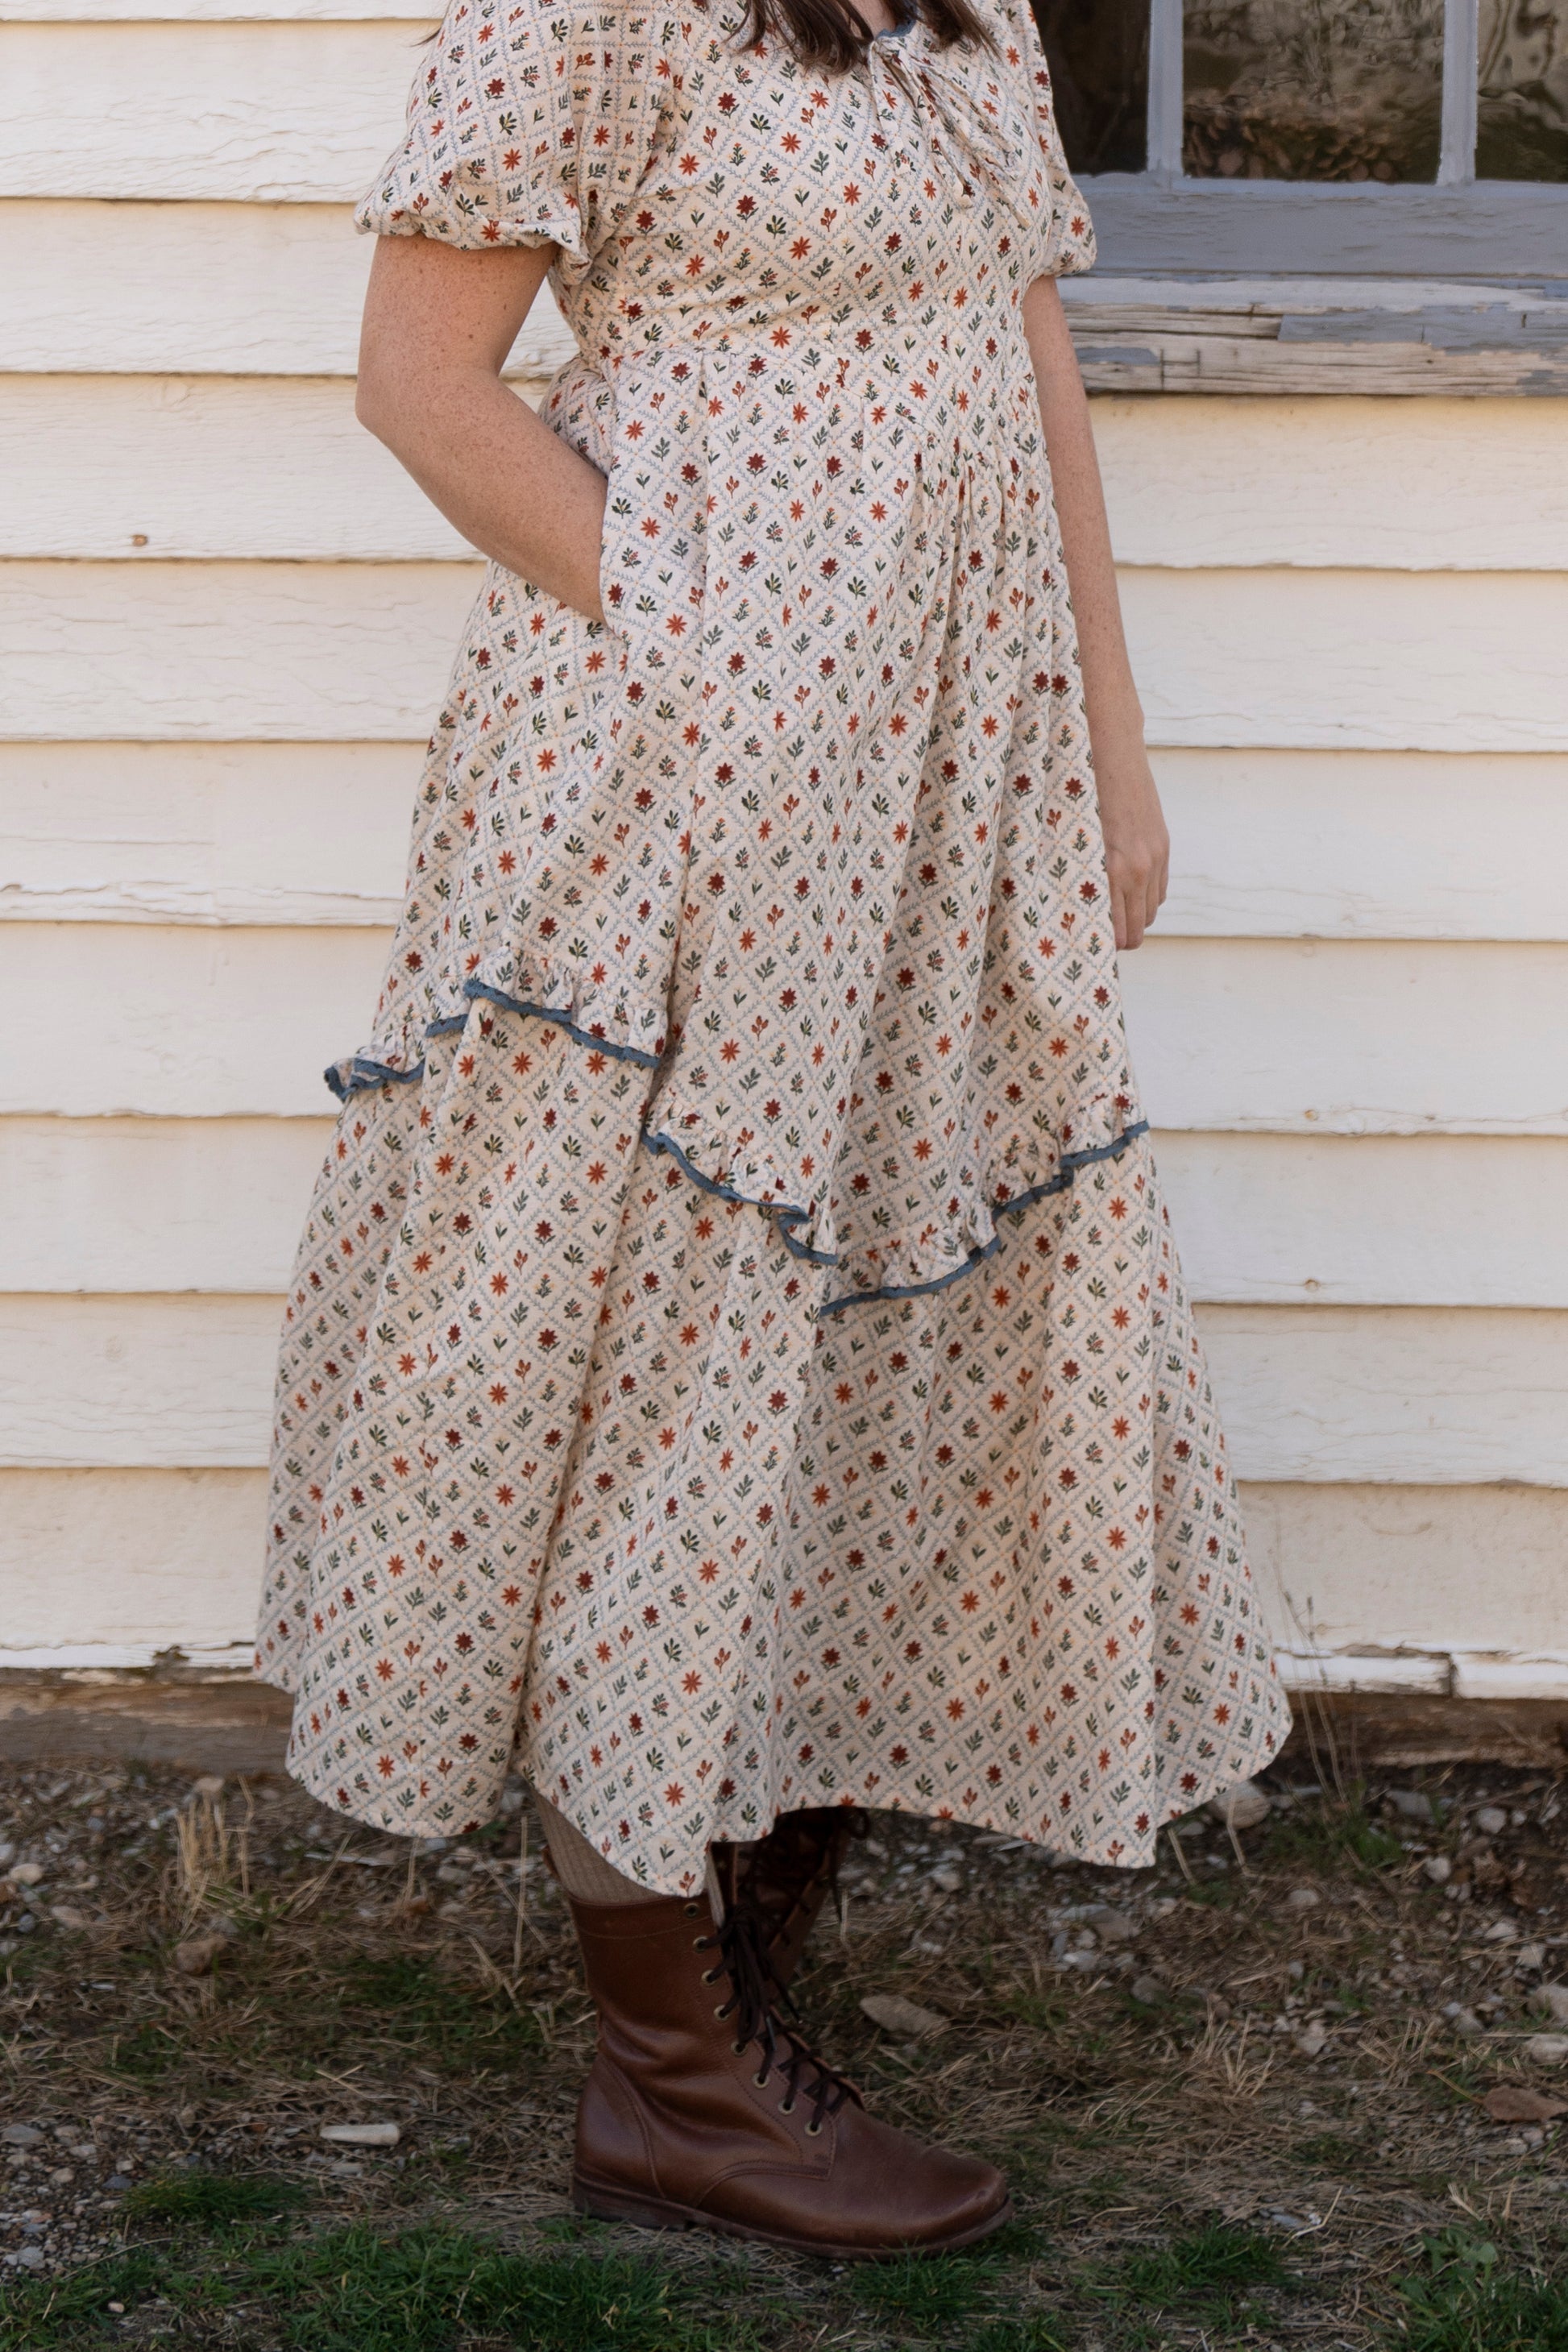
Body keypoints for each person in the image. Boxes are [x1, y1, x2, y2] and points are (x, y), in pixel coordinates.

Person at [256, 0, 1288, 2258]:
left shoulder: (965, 14)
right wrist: (726, 645)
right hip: (679, 796)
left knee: (860, 1330)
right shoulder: (587, 10)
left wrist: (1108, 740)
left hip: (946, 768)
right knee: (658, 1365)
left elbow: (1026, 360)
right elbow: (420, 385)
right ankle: (672, 2068)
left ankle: (728, 1890)